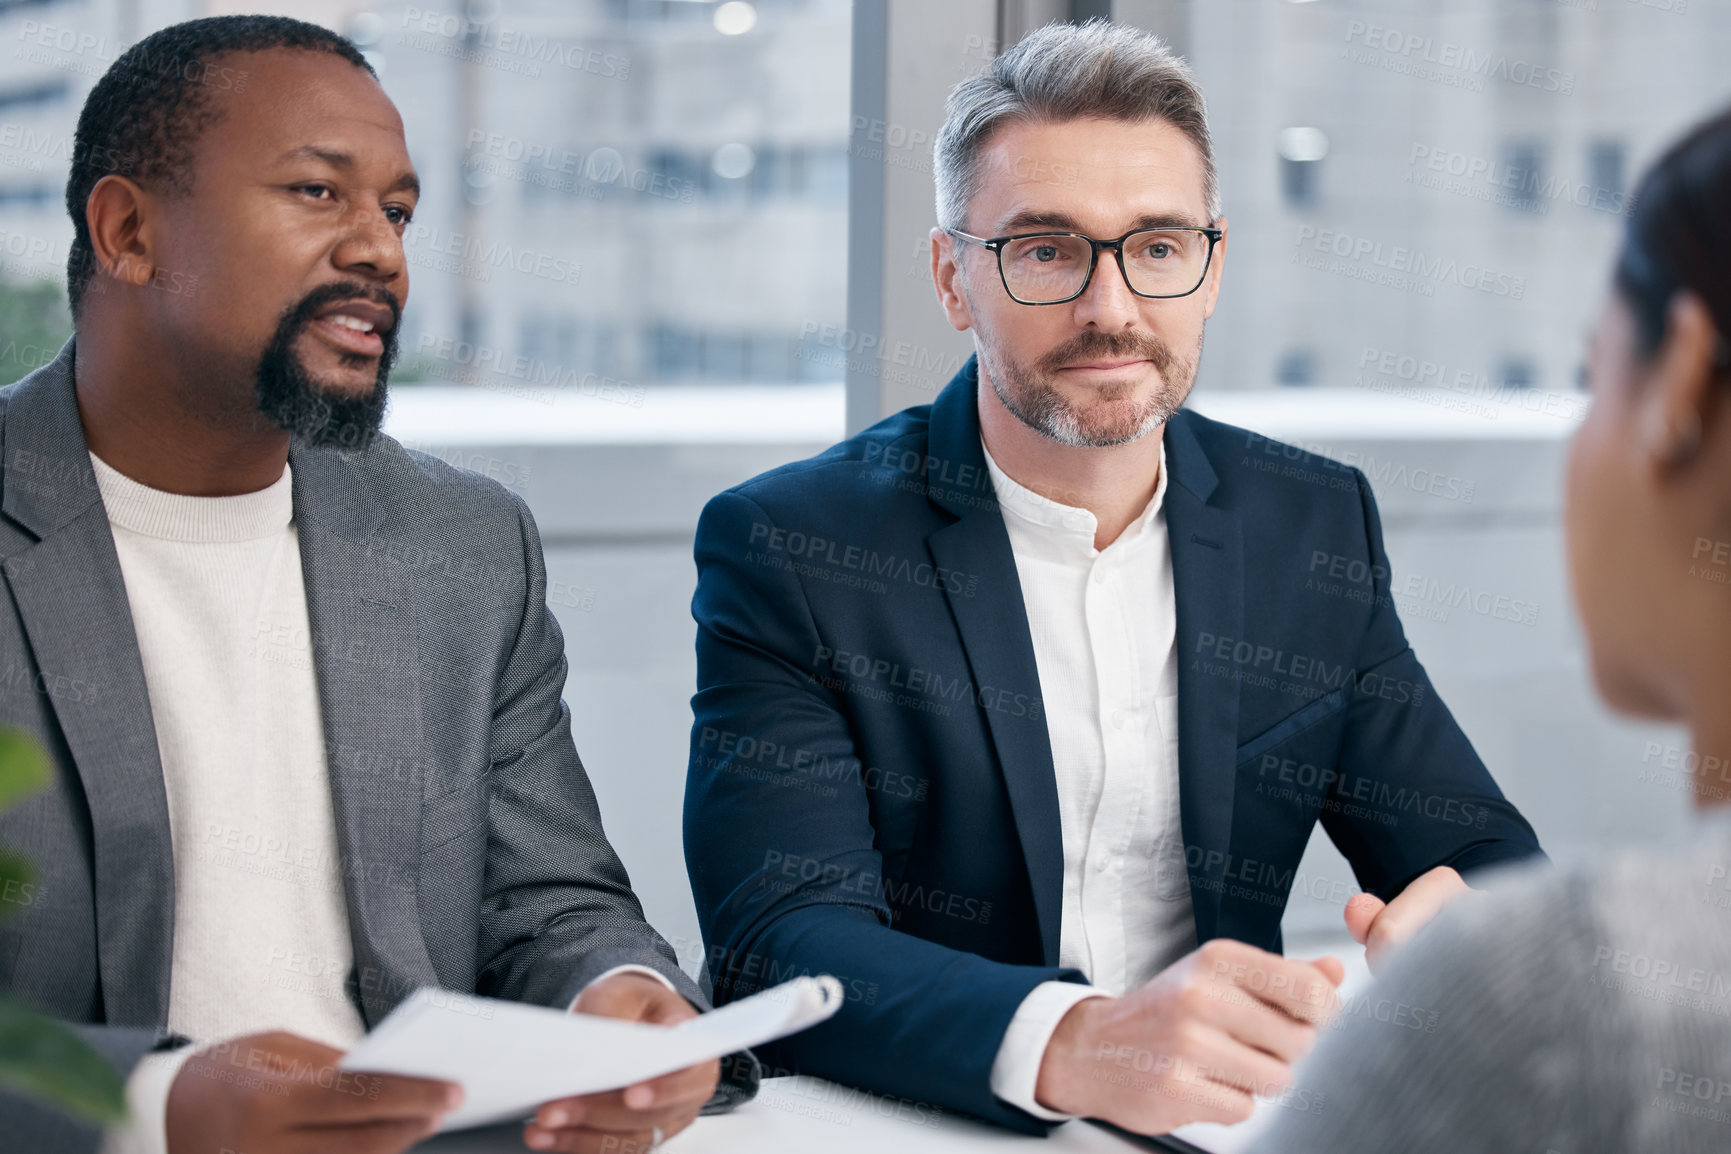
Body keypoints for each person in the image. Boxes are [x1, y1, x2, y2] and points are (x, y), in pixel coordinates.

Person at [683, 18, 1541, 1139]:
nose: (1112, 308)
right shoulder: (794, 545)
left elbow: (1478, 849)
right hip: (937, 1123)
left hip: (1234, 1122)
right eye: (1046, 250)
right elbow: (780, 939)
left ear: (1211, 266)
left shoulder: (1309, 520)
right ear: (954, 279)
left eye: (1157, 245)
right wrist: (1077, 1040)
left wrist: (1468, 926)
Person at [0, 16, 749, 1154]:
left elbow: (549, 901)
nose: (381, 252)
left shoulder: (462, 543)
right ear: (128, 230)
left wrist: (613, 991)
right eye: (316, 193)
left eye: (397, 212)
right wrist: (159, 1101)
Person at [1249, 106, 1731, 1154]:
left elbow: (1484, 867)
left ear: (1679, 387)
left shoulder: (1554, 1000)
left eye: (1588, 376)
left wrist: (1472, 973)